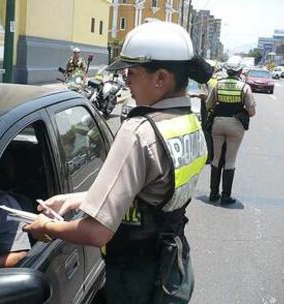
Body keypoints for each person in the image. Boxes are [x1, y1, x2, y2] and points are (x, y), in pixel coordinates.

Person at [24, 21, 212, 304]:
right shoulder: (189, 123)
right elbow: (149, 196)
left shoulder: (139, 132)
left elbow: (98, 232)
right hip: (171, 269)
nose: (126, 82)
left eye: (132, 73)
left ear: (161, 78)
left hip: (134, 279)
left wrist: (45, 228)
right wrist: (75, 200)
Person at [206, 56, 256, 205]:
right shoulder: (244, 87)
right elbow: (252, 111)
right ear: (240, 71)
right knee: (230, 160)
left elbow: (209, 105)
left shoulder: (218, 84)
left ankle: (213, 193)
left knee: (216, 159)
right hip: (235, 126)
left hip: (218, 123)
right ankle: (226, 196)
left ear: (227, 70)